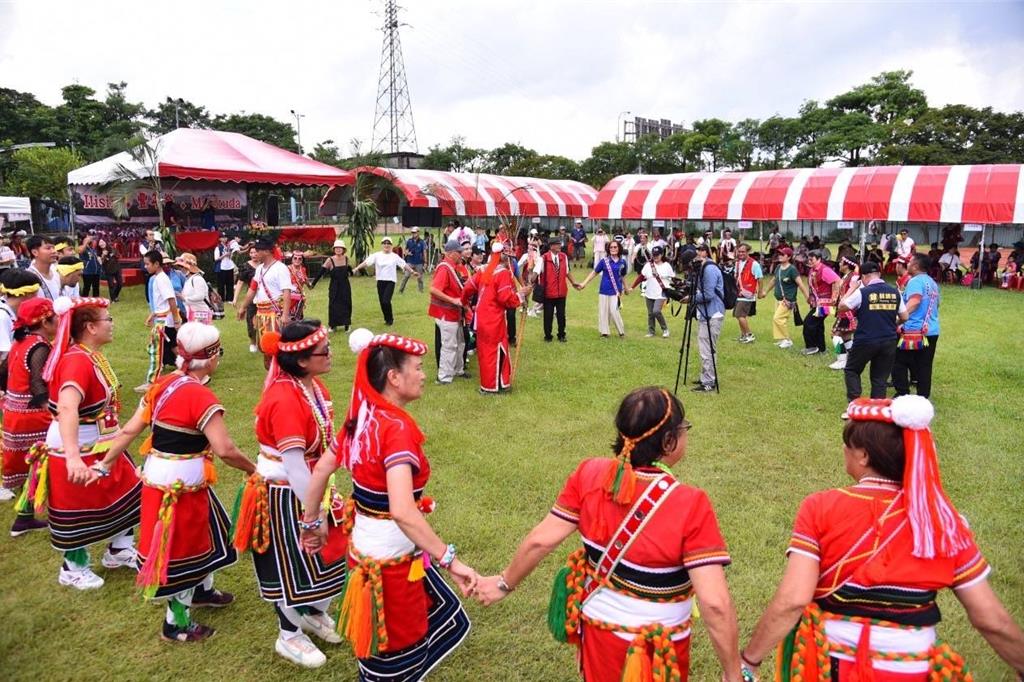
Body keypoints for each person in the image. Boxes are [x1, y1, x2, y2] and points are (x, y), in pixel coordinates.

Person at [739, 395, 1024, 680]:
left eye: (847, 445)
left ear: (863, 455)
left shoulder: (820, 507)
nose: (843, 450)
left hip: (834, 666)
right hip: (912, 669)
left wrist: (750, 660)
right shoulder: (942, 522)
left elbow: (793, 599)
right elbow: (992, 619)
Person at [474, 387, 743, 681]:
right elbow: (715, 604)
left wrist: (503, 584)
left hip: (597, 635)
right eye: (684, 429)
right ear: (668, 441)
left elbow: (542, 539)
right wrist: (732, 673)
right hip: (656, 649)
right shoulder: (690, 503)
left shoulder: (589, 473)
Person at [299, 329, 476, 680]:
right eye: (419, 367)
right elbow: (402, 510)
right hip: (390, 569)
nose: (424, 374)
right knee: (397, 653)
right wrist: (451, 560)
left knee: (392, 642)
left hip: (367, 555)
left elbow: (320, 470)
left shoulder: (360, 420)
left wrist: (310, 524)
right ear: (394, 377)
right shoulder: (395, 429)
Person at [89, 322, 254, 642]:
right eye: (218, 353)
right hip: (181, 489)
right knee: (184, 550)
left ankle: (203, 591)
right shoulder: (201, 397)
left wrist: (106, 463)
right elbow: (225, 449)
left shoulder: (163, 384)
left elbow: (129, 430)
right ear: (210, 358)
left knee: (213, 529)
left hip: (158, 482)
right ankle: (175, 623)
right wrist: (252, 469)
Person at [232, 321, 347, 668]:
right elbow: (295, 464)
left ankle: (312, 613)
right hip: (286, 493)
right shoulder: (284, 398)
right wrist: (311, 516)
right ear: (301, 361)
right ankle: (288, 635)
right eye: (322, 351)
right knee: (293, 565)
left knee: (328, 558)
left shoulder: (313, 386)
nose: (330, 354)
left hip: (313, 486)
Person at [30, 296, 141, 590]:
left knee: (129, 490)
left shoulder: (90, 355)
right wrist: (72, 457)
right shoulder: (77, 361)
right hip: (79, 445)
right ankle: (73, 567)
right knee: (77, 507)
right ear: (91, 327)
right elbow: (67, 408)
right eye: (108, 320)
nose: (112, 325)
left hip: (104, 441)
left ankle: (118, 549)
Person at [0, 297, 56, 534]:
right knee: (50, 463)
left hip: (14, 412)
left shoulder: (20, 342)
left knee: (34, 467)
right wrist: (55, 411)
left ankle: (24, 517)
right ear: (45, 321)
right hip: (32, 416)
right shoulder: (39, 346)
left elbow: (6, 372)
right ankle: (63, 513)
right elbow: (37, 385)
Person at [837, 261, 906, 411]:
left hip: (866, 340)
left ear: (863, 277)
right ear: (879, 274)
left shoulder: (863, 292)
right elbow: (905, 316)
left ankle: (855, 406)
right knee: (879, 378)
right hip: (888, 340)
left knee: (852, 370)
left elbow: (842, 306)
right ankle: (876, 410)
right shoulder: (895, 292)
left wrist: (852, 288)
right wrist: (894, 323)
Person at [461, 243, 526, 394]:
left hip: (481, 319)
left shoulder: (483, 269)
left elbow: (467, 288)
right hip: (494, 319)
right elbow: (505, 299)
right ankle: (493, 386)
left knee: (485, 352)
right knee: (495, 351)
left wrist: (464, 303)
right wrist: (521, 296)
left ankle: (498, 383)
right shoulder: (502, 273)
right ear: (504, 257)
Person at [892, 253, 941, 399]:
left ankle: (902, 394)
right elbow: (937, 304)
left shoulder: (915, 281)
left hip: (912, 331)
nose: (907, 264)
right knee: (924, 366)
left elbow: (915, 301)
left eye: (909, 262)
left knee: (898, 362)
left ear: (915, 265)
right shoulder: (932, 283)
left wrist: (899, 318)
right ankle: (922, 397)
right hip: (931, 330)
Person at [235, 238, 292, 352]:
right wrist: (243, 307)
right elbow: (252, 289)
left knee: (276, 348)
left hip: (275, 314)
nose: (255, 253)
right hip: (261, 314)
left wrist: (285, 315)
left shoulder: (280, 268)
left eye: (258, 250)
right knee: (265, 348)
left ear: (266, 251)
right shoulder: (259, 269)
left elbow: (287, 292)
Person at [138, 250, 182, 392]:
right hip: (162, 318)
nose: (146, 267)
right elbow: (162, 301)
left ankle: (152, 381)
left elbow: (171, 299)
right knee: (159, 348)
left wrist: (176, 319)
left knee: (156, 351)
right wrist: (153, 314)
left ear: (157, 264)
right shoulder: (158, 278)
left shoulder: (161, 279)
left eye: (148, 264)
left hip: (164, 321)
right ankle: (186, 367)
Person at [352, 237, 420, 326]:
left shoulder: (394, 256)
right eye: (384, 243)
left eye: (388, 244)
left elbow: (403, 264)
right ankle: (387, 319)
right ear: (382, 245)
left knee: (386, 301)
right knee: (382, 302)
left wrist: (412, 271)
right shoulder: (377, 255)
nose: (386, 245)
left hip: (390, 281)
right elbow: (366, 262)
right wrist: (357, 268)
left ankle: (390, 319)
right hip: (380, 281)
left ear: (391, 245)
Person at [429, 239, 467, 384]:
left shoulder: (452, 267)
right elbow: (434, 289)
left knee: (459, 343)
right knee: (449, 345)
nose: (461, 255)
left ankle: (458, 370)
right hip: (447, 313)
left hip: (454, 314)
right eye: (459, 252)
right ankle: (444, 377)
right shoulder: (445, 268)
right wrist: (453, 300)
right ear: (451, 253)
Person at [688, 245, 724, 392]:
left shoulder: (709, 269)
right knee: (708, 348)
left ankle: (708, 382)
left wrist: (690, 298)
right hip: (707, 313)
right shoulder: (704, 268)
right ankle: (707, 376)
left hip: (711, 313)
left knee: (706, 349)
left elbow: (708, 295)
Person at [531, 237, 581, 343]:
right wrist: (532, 279)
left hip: (562, 291)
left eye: (560, 244)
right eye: (557, 244)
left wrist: (573, 282)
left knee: (561, 315)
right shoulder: (543, 258)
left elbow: (567, 271)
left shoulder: (563, 257)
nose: (560, 246)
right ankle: (548, 335)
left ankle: (561, 334)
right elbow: (535, 272)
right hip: (548, 293)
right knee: (548, 316)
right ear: (551, 246)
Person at [758, 246, 808, 349]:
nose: (779, 256)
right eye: (779, 254)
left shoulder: (792, 270)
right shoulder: (778, 268)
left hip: (787, 300)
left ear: (789, 257)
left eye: (782, 254)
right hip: (778, 299)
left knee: (778, 318)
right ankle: (782, 339)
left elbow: (801, 284)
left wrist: (808, 297)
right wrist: (765, 292)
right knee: (778, 319)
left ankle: (787, 339)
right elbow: (773, 281)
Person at [578, 239, 628, 338]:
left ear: (619, 249)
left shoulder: (623, 262)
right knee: (603, 311)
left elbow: (622, 276)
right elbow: (594, 272)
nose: (613, 249)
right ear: (608, 249)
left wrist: (626, 288)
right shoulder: (604, 261)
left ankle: (621, 332)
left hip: (616, 291)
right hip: (604, 289)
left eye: (615, 247)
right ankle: (604, 332)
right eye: (611, 247)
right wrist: (584, 283)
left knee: (614, 311)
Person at [628, 245, 674, 338]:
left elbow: (672, 279)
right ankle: (651, 331)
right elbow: (641, 277)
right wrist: (632, 287)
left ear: (662, 255)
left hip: (661, 293)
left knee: (656, 311)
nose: (655, 257)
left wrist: (673, 292)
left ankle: (665, 329)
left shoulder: (667, 266)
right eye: (654, 255)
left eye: (657, 255)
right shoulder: (648, 265)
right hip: (649, 293)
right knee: (650, 313)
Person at [802, 250, 841, 356]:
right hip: (819, 303)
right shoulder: (813, 270)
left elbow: (837, 281)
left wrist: (834, 297)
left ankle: (812, 347)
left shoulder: (824, 270)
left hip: (826, 304)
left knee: (809, 323)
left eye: (812, 259)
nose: (809, 262)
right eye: (808, 259)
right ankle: (821, 348)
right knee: (818, 325)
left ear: (819, 259)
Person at [310, 239, 353, 332]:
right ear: (334, 249)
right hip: (334, 286)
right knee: (333, 304)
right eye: (336, 248)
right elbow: (321, 272)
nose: (338, 249)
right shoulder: (330, 260)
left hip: (345, 285)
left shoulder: (346, 258)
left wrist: (352, 271)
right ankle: (333, 325)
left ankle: (347, 324)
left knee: (346, 303)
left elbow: (349, 270)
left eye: (340, 248)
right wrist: (313, 283)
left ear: (343, 249)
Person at [828, 256, 861, 371]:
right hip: (847, 310)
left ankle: (842, 360)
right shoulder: (847, 277)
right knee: (846, 336)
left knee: (835, 334)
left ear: (847, 265)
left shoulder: (853, 278)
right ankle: (854, 358)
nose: (839, 264)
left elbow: (855, 290)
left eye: (841, 263)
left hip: (847, 311)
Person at [732, 243, 762, 343]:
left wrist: (760, 292)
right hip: (738, 293)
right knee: (739, 315)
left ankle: (749, 335)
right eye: (739, 251)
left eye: (743, 252)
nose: (740, 254)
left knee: (739, 315)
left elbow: (760, 278)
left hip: (747, 294)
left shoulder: (754, 264)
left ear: (748, 252)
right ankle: (744, 335)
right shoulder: (737, 263)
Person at [233, 246, 260, 353]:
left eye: (256, 252)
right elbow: (240, 282)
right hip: (251, 298)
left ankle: (264, 342)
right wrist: (235, 298)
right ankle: (253, 342)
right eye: (251, 253)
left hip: (265, 297)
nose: (253, 255)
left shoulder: (265, 265)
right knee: (251, 321)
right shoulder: (246, 266)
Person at [178, 253, 212, 324]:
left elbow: (200, 296)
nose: (180, 269)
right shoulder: (189, 279)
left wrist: (184, 298)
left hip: (201, 314)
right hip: (193, 313)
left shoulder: (197, 279)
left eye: (181, 266)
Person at [26, 235, 60, 301]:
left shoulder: (55, 271)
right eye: (48, 248)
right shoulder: (29, 279)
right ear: (35, 252)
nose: (54, 251)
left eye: (53, 248)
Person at [213, 233, 239, 305]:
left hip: (229, 266)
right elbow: (216, 259)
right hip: (222, 267)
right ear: (220, 239)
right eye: (223, 237)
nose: (225, 239)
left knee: (230, 283)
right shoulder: (218, 247)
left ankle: (230, 298)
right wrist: (224, 255)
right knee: (221, 284)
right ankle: (221, 299)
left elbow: (231, 256)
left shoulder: (228, 246)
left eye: (225, 237)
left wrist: (230, 254)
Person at [399, 227, 426, 293]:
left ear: (418, 233)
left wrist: (425, 262)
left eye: (415, 232)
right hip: (410, 261)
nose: (413, 234)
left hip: (419, 262)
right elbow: (405, 251)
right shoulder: (409, 241)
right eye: (412, 232)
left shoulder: (422, 242)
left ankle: (421, 291)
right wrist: (407, 253)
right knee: (406, 276)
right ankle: (400, 290)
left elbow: (424, 252)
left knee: (420, 277)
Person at [287, 252, 309, 321]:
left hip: (300, 297)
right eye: (295, 258)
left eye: (300, 259)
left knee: (299, 317)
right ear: (292, 259)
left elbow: (306, 282)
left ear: (302, 261)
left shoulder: (303, 269)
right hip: (289, 296)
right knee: (289, 316)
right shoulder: (287, 269)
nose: (297, 260)